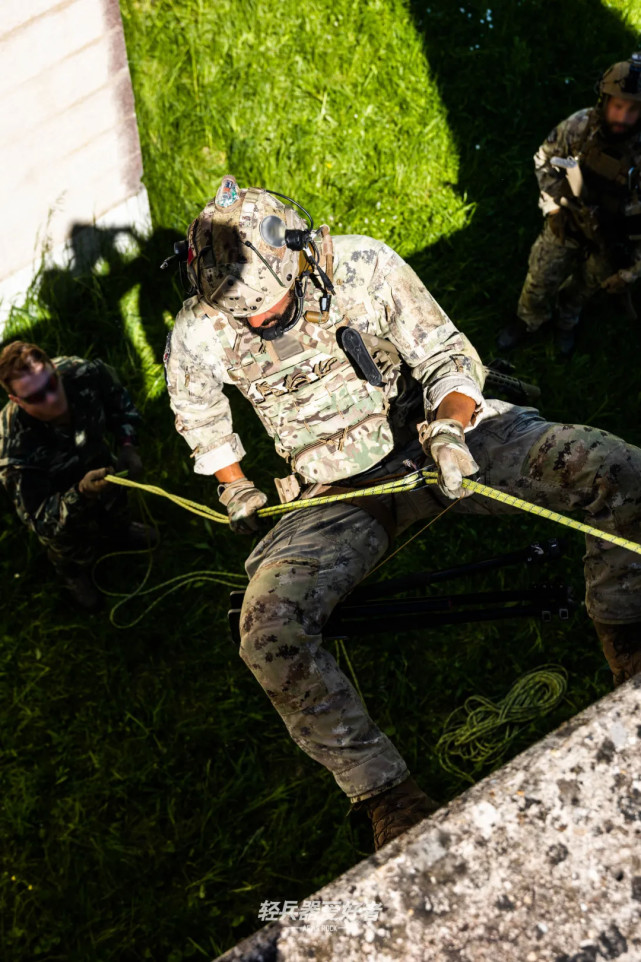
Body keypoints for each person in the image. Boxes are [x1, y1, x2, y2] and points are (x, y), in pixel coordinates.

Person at [165, 175, 641, 850]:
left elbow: (445, 354)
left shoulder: (362, 263)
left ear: (298, 254)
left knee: (616, 471)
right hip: (333, 493)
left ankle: (624, 629)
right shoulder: (201, 325)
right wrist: (235, 486)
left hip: (432, 432)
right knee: (268, 632)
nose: (260, 322)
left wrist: (449, 429)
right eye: (247, 317)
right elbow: (199, 414)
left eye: (270, 308)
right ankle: (386, 796)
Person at [498, 52, 641, 356]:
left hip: (614, 240)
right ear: (604, 100)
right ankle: (528, 321)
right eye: (617, 106)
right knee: (540, 277)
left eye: (633, 110)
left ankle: (567, 322)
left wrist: (630, 272)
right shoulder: (580, 127)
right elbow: (545, 159)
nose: (623, 118)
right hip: (569, 218)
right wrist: (553, 209)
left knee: (584, 289)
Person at [0, 342, 152, 610]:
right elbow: (41, 520)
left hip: (102, 469)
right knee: (69, 546)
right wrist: (80, 493)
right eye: (35, 396)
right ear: (16, 400)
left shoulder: (82, 372)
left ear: (54, 369)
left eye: (51, 383)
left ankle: (121, 531)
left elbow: (120, 403)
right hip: (62, 510)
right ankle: (74, 573)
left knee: (116, 505)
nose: (51, 398)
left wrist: (128, 443)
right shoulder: (13, 448)